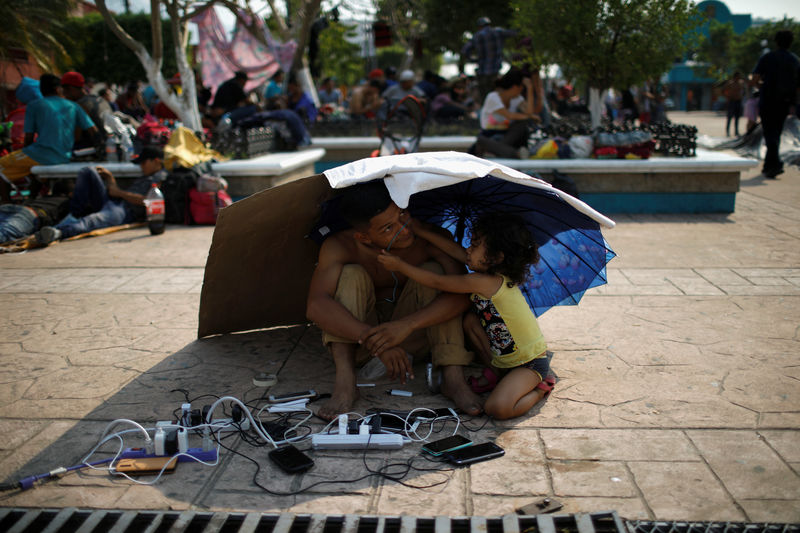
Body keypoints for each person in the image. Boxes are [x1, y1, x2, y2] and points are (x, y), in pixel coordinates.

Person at [305, 180, 483, 420]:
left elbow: (464, 295)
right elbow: (316, 305)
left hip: (416, 337)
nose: (404, 229)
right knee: (351, 274)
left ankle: (452, 376)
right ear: (364, 237)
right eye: (388, 228)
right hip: (363, 343)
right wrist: (375, 339)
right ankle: (345, 380)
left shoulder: (427, 237)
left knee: (434, 272)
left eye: (402, 215)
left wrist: (406, 326)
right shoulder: (341, 245)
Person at [377, 213, 553, 420]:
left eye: (475, 245)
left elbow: (438, 282)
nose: (468, 250)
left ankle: (541, 388)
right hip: (506, 360)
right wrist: (421, 230)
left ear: (496, 257)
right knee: (470, 322)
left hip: (529, 364)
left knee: (497, 408)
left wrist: (400, 266)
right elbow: (456, 251)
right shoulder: (489, 274)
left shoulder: (483, 282)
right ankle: (499, 375)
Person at [33, 146, 168, 245]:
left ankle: (58, 232)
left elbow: (150, 202)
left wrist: (118, 192)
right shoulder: (146, 175)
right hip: (114, 201)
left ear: (156, 161)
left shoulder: (161, 177)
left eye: (144, 163)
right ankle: (73, 215)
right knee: (88, 171)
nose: (141, 167)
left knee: (92, 220)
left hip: (125, 211)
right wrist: (110, 180)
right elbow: (117, 192)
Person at [0, 74, 96, 203]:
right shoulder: (73, 106)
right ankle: (31, 198)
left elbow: (28, 138)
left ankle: (6, 205)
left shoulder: (34, 105)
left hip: (41, 154)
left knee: (4, 165)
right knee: (33, 167)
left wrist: (25, 154)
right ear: (58, 89)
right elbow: (93, 131)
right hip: (64, 156)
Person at [751, 30, 800, 178]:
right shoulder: (794, 60)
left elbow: (755, 78)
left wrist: (761, 87)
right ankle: (770, 166)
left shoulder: (768, 58)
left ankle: (775, 164)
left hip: (768, 101)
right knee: (776, 133)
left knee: (769, 133)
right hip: (784, 102)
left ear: (776, 41)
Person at [472, 68, 542, 159]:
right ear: (515, 87)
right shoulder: (493, 97)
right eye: (522, 87)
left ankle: (498, 151)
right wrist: (530, 117)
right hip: (490, 136)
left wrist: (530, 89)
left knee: (521, 125)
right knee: (480, 140)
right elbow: (509, 115)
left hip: (506, 137)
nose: (521, 90)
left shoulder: (517, 99)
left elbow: (529, 112)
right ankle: (514, 153)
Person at [460, 17, 516, 103]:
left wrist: (473, 60)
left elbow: (464, 50)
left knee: (485, 98)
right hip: (495, 70)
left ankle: (487, 114)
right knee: (496, 95)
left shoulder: (477, 35)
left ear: (479, 26)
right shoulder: (498, 31)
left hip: (482, 71)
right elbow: (514, 33)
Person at [0, 184, 70, 244]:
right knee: (3, 235)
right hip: (30, 215)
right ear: (70, 193)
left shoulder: (44, 197)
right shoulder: (67, 202)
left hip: (12, 208)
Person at [61, 71, 112, 147]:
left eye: (64, 91)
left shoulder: (80, 105)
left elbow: (76, 137)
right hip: (111, 143)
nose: (64, 96)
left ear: (70, 89)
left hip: (96, 148)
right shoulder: (99, 99)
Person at [723, 71, 747, 137]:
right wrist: (727, 97)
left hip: (738, 101)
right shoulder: (730, 83)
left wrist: (742, 96)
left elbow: (744, 90)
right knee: (729, 117)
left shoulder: (741, 83)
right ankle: (727, 131)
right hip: (731, 101)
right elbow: (724, 90)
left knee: (737, 117)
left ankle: (736, 131)